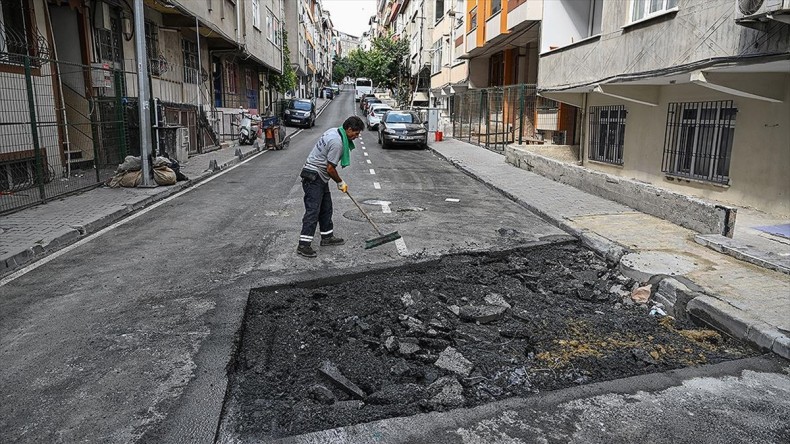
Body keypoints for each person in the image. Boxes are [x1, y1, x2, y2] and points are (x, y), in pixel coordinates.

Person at [297, 116, 365, 258]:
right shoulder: (337, 143)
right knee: (313, 211)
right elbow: (330, 169)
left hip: (318, 176)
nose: (357, 137)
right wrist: (340, 182)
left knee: (326, 208)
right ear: (349, 129)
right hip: (313, 176)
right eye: (356, 133)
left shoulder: (334, 131)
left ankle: (327, 237)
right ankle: (303, 245)